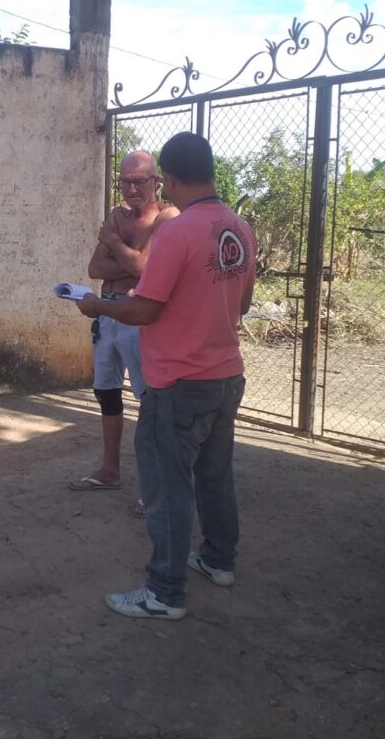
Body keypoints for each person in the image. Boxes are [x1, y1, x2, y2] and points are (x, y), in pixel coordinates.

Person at [76, 132, 256, 621]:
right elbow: (241, 305)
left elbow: (145, 308)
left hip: (178, 381)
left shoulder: (177, 232)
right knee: (215, 476)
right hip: (226, 374)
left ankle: (165, 593)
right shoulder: (239, 228)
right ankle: (219, 561)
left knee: (166, 486)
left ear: (169, 179)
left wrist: (96, 305)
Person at [70, 150, 178, 518]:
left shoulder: (167, 218)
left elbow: (147, 268)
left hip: (138, 316)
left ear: (156, 182)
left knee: (151, 401)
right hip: (107, 312)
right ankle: (110, 470)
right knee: (105, 392)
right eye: (125, 180)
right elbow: (94, 267)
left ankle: (156, 487)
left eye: (140, 180)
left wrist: (115, 245)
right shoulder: (118, 215)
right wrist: (127, 262)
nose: (131, 187)